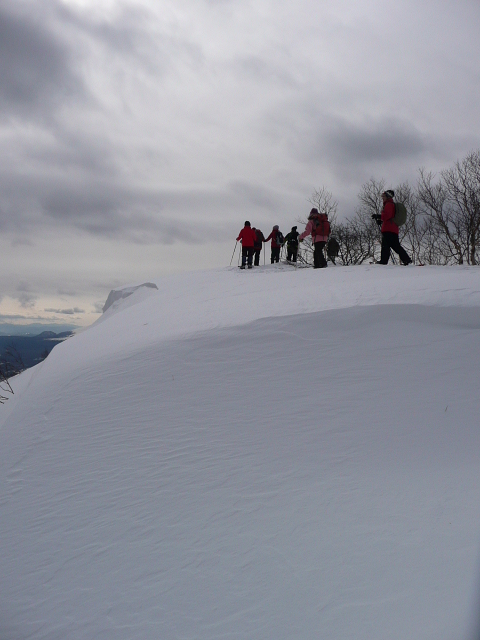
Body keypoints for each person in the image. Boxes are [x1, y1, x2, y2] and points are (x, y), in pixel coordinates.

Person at [372, 190, 412, 265]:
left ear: (388, 196)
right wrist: (381, 220)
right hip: (392, 229)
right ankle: (407, 260)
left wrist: (379, 216)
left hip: (388, 229)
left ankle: (383, 261)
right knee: (396, 246)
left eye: (383, 196)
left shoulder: (389, 204)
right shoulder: (390, 204)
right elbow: (389, 217)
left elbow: (387, 215)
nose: (382, 198)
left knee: (385, 246)